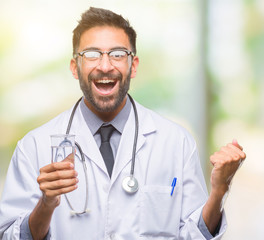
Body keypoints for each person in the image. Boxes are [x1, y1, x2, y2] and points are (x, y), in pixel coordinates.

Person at [0, 7, 246, 240]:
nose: (105, 66)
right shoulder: (34, 147)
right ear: (75, 67)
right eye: (92, 54)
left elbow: (193, 234)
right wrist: (46, 204)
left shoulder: (175, 142)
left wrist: (219, 192)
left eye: (118, 54)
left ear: (133, 66)